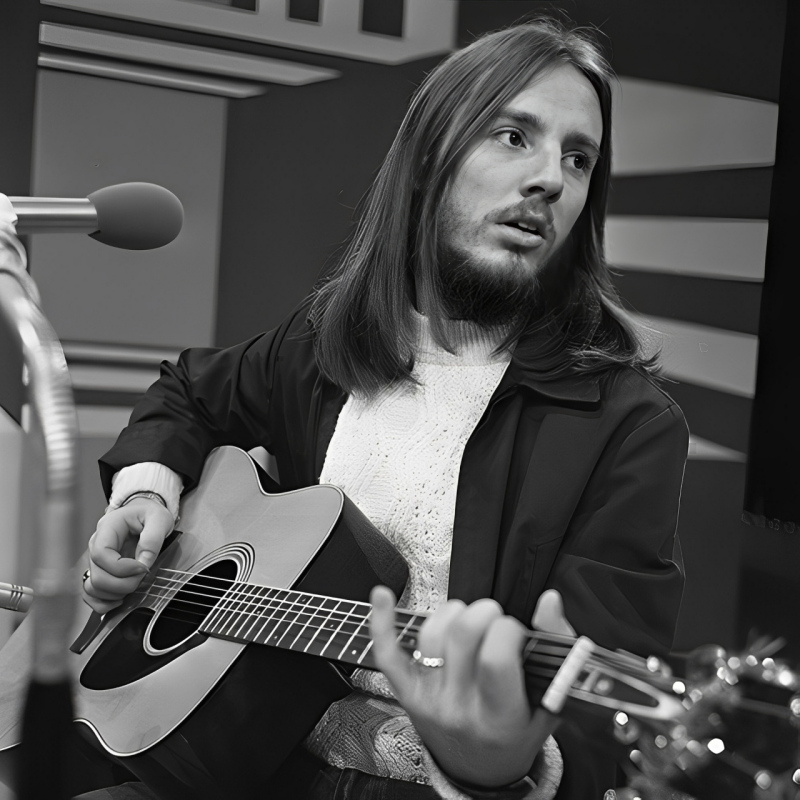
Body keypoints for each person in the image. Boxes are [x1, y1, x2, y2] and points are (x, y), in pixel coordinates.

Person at [81, 16, 688, 800]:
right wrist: (144, 498)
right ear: (430, 157)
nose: (550, 179)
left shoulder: (629, 425)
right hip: (243, 754)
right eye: (514, 137)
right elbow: (189, 392)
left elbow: (599, 722)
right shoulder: (324, 342)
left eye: (579, 159)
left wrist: (499, 756)